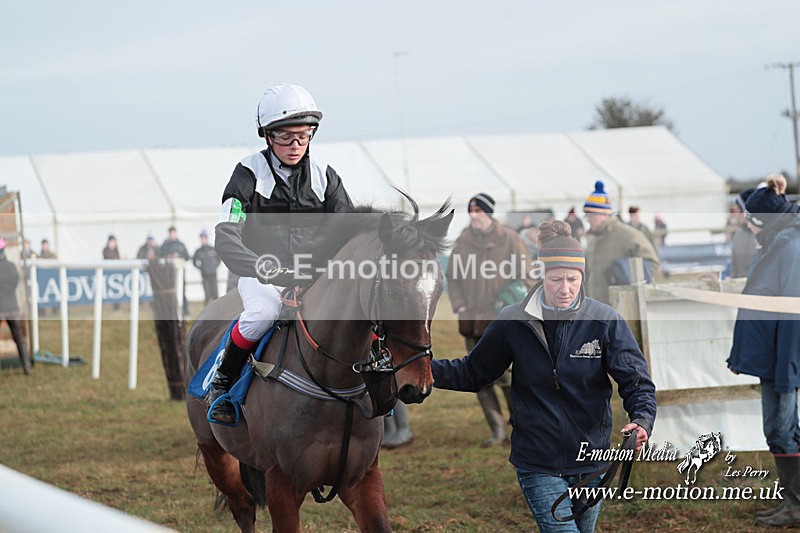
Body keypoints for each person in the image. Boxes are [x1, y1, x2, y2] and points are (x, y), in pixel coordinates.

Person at [432, 219, 655, 532]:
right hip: (537, 461)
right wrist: (421, 370)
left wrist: (642, 420)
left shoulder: (604, 321)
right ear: (540, 274)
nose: (565, 289)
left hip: (592, 460)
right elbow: (472, 373)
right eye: (556, 279)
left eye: (573, 280)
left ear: (583, 277)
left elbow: (637, 383)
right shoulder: (513, 321)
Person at [208, 83, 354, 425]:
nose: (295, 146)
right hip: (262, 274)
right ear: (267, 136)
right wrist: (262, 267)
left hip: (313, 275)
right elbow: (227, 235)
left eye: (304, 136)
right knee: (264, 311)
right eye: (286, 137)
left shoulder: (325, 176)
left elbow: (348, 230)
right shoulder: (247, 173)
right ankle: (222, 382)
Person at [727, 174, 800, 527]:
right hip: (774, 355)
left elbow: (793, 315)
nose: (746, 226)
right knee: (782, 429)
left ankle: (795, 505)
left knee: (781, 430)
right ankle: (793, 502)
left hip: (784, 355)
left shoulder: (789, 248)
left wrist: (787, 368)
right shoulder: (775, 242)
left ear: (759, 223)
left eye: (749, 221)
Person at [445, 193, 533, 447]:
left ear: (489, 213)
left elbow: (527, 276)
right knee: (477, 377)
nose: (473, 215)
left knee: (508, 376)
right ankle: (497, 431)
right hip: (472, 321)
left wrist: (511, 303)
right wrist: (459, 304)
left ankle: (520, 425)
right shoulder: (462, 242)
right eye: (470, 210)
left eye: (478, 210)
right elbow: (453, 277)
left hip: (503, 321)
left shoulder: (510, 239)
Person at [582, 181, 660, 305]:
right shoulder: (592, 241)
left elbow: (652, 263)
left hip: (625, 307)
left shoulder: (628, 235)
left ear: (604, 214)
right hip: (598, 309)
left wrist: (625, 275)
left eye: (592, 217)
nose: (589, 221)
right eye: (587, 217)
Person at [0, 238, 31, 375]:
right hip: (13, 307)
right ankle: (26, 367)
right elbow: (15, 283)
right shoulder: (12, 266)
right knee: (19, 339)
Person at [725, 188, 758, 279]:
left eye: (739, 209)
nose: (736, 213)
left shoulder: (767, 235)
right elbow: (734, 270)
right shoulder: (738, 235)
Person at [158, 226, 190, 315]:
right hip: (168, 275)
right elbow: (160, 257)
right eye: (171, 233)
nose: (172, 235)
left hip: (180, 274)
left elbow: (187, 256)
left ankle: (184, 311)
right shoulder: (164, 246)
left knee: (182, 292)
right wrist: (168, 257)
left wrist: (178, 256)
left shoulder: (181, 245)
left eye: (173, 233)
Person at [192, 230, 221, 305]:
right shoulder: (198, 251)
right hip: (205, 276)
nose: (203, 239)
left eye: (204, 237)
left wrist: (214, 266)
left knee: (215, 295)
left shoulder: (212, 249)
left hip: (213, 275)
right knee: (207, 295)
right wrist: (201, 268)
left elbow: (219, 259)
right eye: (202, 238)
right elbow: (194, 262)